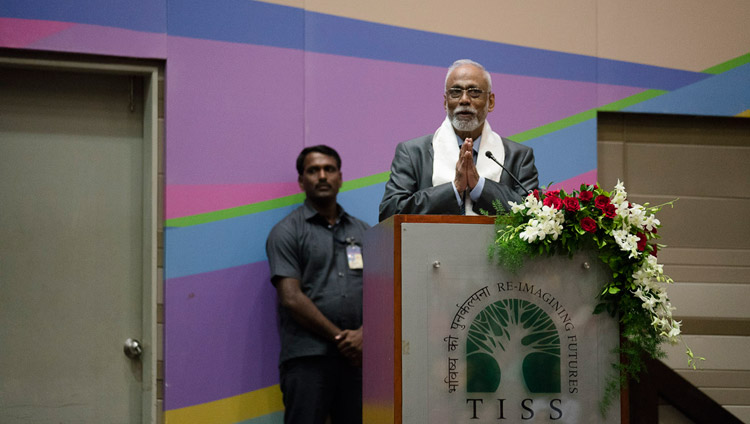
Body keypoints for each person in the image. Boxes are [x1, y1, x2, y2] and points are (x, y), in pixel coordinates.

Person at [266, 145, 369, 424]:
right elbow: (291, 298)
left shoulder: (365, 232)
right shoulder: (287, 232)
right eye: (313, 170)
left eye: (329, 169)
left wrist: (364, 334)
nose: (322, 176)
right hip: (307, 361)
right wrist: (341, 339)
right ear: (302, 181)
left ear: (340, 177)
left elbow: (384, 293)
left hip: (358, 361)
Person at [379, 59, 539, 221]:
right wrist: (454, 189)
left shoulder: (518, 156)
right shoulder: (413, 153)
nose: (464, 99)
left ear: (490, 102)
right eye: (456, 92)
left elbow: (534, 215)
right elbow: (390, 212)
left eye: (474, 91)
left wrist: (480, 187)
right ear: (445, 102)